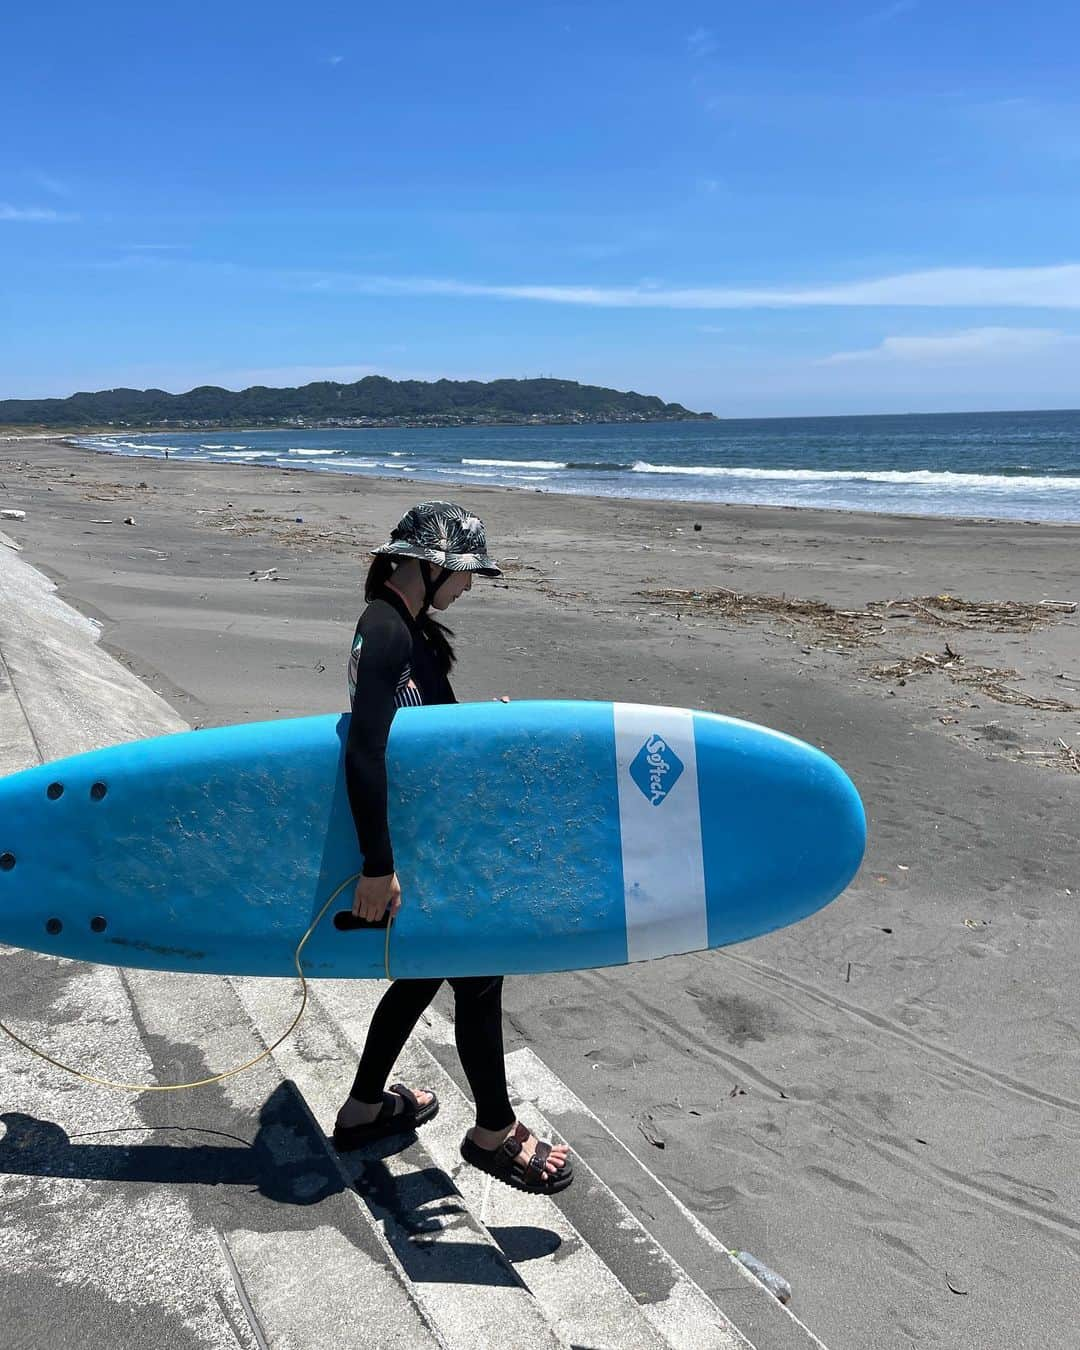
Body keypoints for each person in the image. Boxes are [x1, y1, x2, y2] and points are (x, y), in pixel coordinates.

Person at [332, 501, 573, 1195]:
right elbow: (366, 754)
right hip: (413, 844)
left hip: (427, 833)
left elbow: (419, 731)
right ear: (427, 564)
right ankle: (493, 1131)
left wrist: (478, 728)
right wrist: (379, 867)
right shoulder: (385, 633)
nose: (469, 586)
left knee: (424, 974)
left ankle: (363, 1109)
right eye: (463, 573)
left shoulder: (407, 631)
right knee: (477, 969)